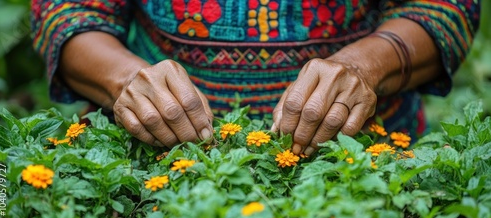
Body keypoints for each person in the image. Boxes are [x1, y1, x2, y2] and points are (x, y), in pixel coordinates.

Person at [31, 0, 480, 155]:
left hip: (364, 156)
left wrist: (366, 65)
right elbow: (68, 10)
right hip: (154, 163)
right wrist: (127, 81)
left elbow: (444, 7)